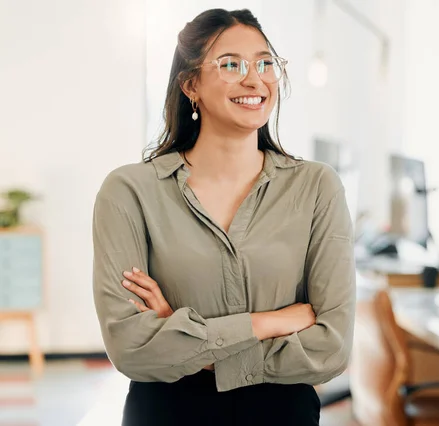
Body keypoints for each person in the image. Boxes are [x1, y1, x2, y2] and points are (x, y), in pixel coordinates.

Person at [92, 8, 356, 426]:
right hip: (166, 415)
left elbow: (332, 348)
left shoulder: (317, 188)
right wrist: (271, 322)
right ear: (190, 84)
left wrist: (187, 338)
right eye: (231, 64)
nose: (255, 79)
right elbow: (132, 349)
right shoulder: (130, 192)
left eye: (265, 63)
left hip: (282, 416)